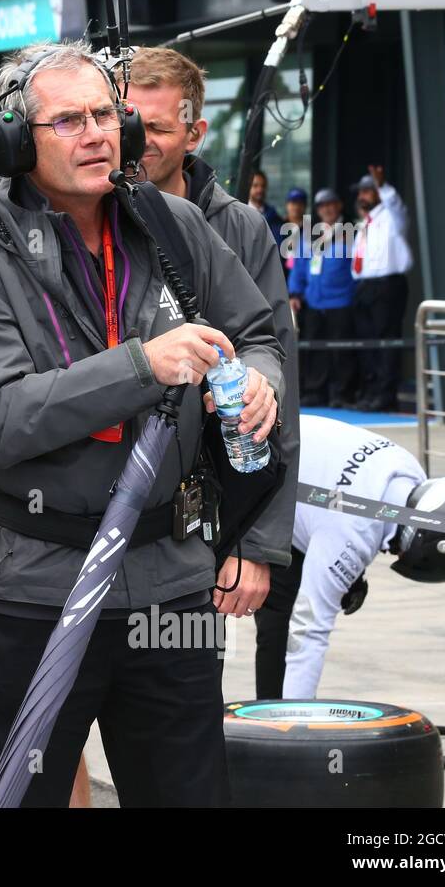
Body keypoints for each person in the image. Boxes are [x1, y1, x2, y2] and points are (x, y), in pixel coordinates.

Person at [0, 39, 283, 807]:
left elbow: (258, 332)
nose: (96, 135)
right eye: (68, 121)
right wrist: (143, 366)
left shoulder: (174, 223)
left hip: (171, 584)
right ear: (16, 142)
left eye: (104, 116)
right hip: (36, 588)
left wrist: (262, 379)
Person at [127, 46, 299, 628]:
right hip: (97, 515)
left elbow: (278, 374)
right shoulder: (86, 214)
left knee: (182, 673)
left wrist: (256, 541)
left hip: (202, 516)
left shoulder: (240, 228)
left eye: (157, 128)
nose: (139, 141)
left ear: (195, 134)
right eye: (130, 124)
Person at [254, 414, 445, 699]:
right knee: (268, 619)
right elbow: (308, 633)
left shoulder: (409, 471)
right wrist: (297, 720)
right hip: (246, 474)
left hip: (278, 448)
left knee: (283, 609)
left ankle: (271, 711)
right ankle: (274, 719)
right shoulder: (350, 533)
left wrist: (351, 574)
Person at [288, 188, 358, 408]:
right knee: (314, 350)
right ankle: (315, 391)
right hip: (313, 302)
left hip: (341, 301)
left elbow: (359, 267)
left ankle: (342, 394)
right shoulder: (309, 234)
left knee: (342, 351)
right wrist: (295, 293)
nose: (326, 209)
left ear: (339, 206)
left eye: (330, 204)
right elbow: (299, 266)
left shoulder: (352, 232)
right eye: (322, 205)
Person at [351, 165, 413, 412]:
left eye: (367, 191)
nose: (362, 196)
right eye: (360, 192)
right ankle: (371, 391)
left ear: (378, 193)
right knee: (367, 343)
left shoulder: (392, 216)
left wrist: (383, 185)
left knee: (385, 342)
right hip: (365, 286)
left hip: (387, 285)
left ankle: (386, 395)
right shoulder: (364, 224)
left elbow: (395, 203)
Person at [249, 170, 284, 246]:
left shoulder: (274, 218)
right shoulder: (239, 213)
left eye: (263, 186)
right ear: (248, 187)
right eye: (255, 185)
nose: (260, 190)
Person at [281, 187, 308, 276]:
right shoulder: (278, 228)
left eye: (300, 203)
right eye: (293, 203)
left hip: (303, 276)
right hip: (282, 276)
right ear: (287, 205)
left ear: (305, 206)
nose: (296, 207)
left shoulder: (311, 230)